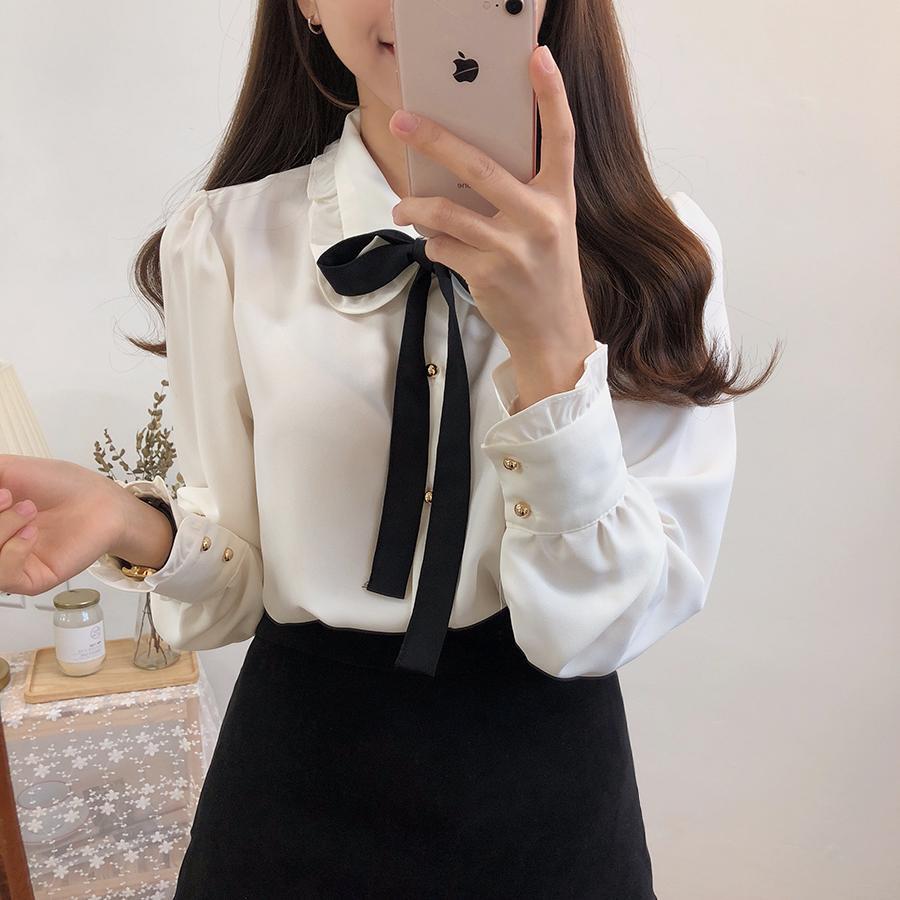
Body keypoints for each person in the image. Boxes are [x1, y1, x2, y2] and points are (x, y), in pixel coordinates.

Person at [0, 1, 780, 896]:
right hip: (292, 784)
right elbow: (237, 592)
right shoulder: (223, 240)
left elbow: (600, 627)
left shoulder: (659, 251)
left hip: (549, 798)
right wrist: (133, 523)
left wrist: (555, 344)